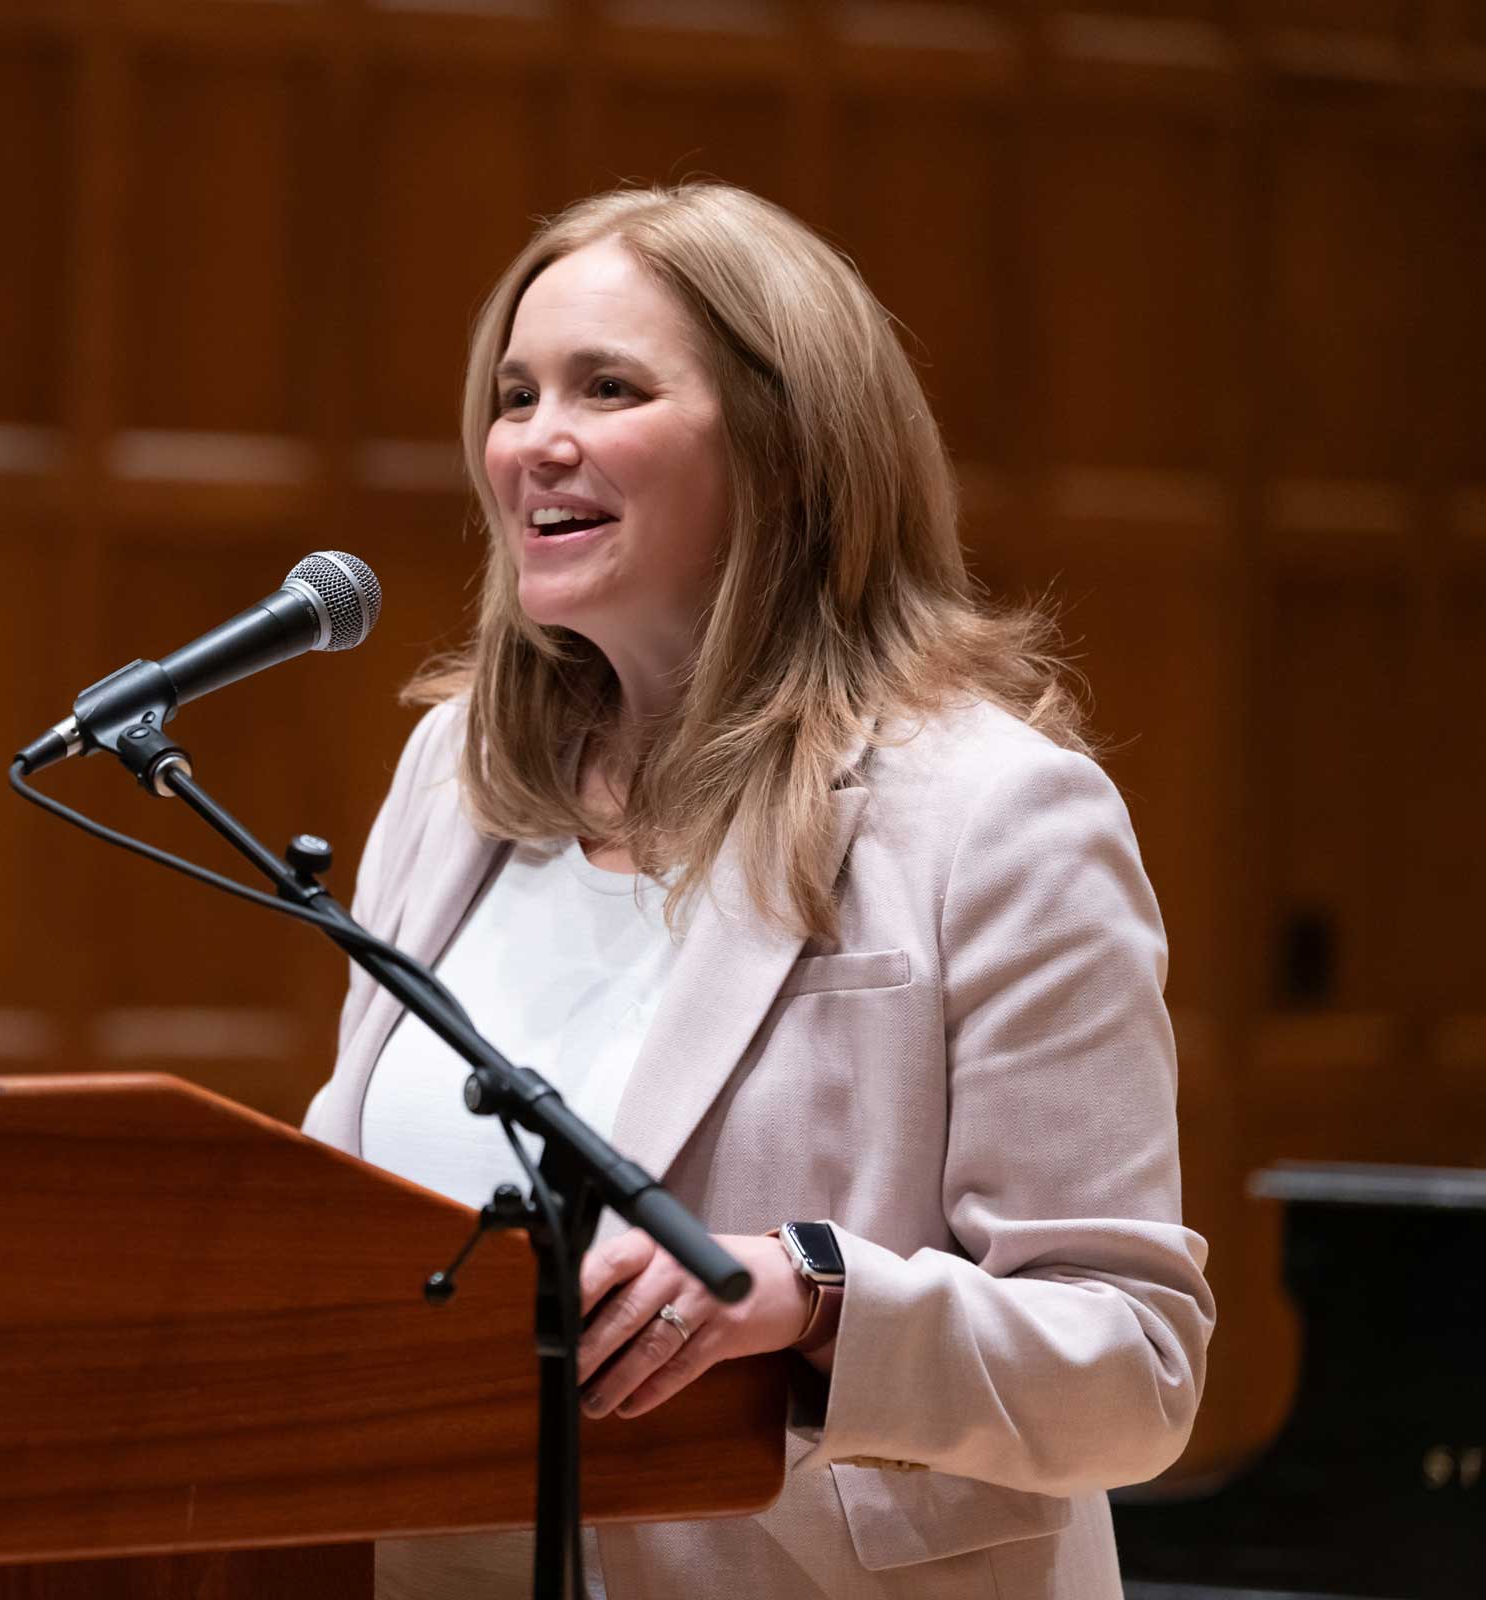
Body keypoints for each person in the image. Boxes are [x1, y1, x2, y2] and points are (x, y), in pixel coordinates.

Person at [299, 183, 1215, 1598]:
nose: (536, 440)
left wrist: (819, 1299)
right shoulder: (455, 778)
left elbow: (1133, 1368)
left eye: (608, 388)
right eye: (515, 393)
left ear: (785, 447)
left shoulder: (993, 815)